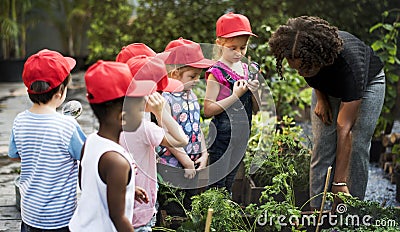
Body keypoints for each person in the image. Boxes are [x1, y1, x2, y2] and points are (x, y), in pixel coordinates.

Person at [268, 16, 385, 209]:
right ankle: (317, 211)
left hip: (367, 85)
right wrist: (321, 98)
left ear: (319, 60)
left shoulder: (350, 65)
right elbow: (313, 76)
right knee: (322, 144)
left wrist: (339, 183)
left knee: (357, 144)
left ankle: (351, 210)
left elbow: (344, 129)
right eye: (295, 68)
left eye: (304, 69)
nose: (300, 73)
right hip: (328, 87)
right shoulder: (304, 56)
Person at [69, 61, 155, 231]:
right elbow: (119, 218)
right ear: (122, 116)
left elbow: (87, 183)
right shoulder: (117, 161)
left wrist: (123, 187)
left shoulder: (91, 141)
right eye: (140, 110)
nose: (143, 114)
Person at [8, 49, 86, 231]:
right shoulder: (67, 126)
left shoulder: (19, 120)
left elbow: (13, 155)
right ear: (60, 92)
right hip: (60, 219)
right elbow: (86, 155)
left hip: (29, 214)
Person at [120, 55, 187, 231]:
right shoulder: (145, 128)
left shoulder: (114, 119)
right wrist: (160, 113)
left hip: (117, 206)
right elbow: (182, 140)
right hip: (141, 211)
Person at [204, 12, 260, 194]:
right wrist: (236, 95)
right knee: (217, 183)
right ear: (219, 43)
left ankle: (224, 215)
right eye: (233, 48)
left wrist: (254, 91)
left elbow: (256, 110)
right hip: (222, 136)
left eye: (243, 48)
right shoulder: (216, 73)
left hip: (242, 135)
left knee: (231, 182)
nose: (238, 53)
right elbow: (208, 109)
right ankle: (212, 218)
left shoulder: (247, 69)